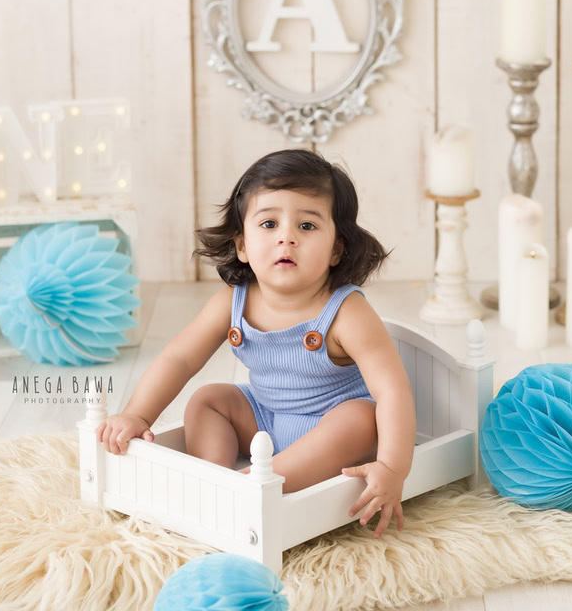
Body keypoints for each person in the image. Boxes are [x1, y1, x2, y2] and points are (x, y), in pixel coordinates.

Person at [96, 149, 416, 538]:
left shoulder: (345, 312)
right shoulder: (231, 303)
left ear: (337, 249)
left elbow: (393, 390)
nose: (286, 237)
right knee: (209, 399)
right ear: (243, 245)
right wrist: (138, 415)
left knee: (362, 418)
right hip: (266, 418)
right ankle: (211, 480)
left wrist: (393, 468)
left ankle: (250, 485)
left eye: (308, 227)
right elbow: (179, 359)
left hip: (329, 427)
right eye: (268, 223)